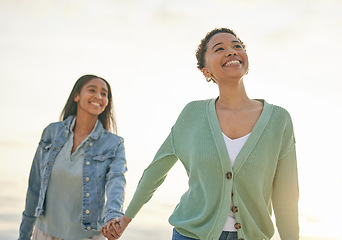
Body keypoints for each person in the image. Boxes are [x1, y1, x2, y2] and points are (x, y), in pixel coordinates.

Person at [103, 27, 299, 240]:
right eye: (219, 49)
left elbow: (286, 194)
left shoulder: (279, 120)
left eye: (237, 46)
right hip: (191, 234)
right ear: (206, 71)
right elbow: (156, 170)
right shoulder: (192, 114)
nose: (231, 51)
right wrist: (126, 219)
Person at [18, 74, 127, 240]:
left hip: (86, 236)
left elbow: (117, 182)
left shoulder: (113, 144)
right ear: (76, 96)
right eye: (92, 90)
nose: (98, 96)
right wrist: (24, 235)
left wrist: (113, 216)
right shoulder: (51, 133)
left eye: (104, 94)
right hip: (44, 234)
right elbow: (34, 185)